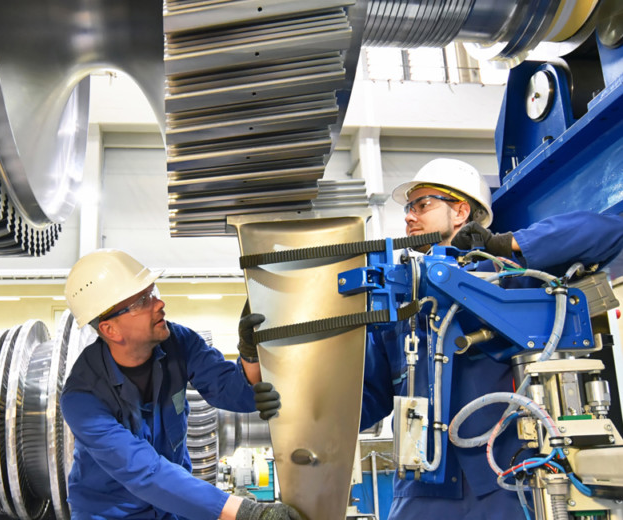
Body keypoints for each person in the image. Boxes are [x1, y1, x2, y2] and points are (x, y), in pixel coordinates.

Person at [256, 158, 623, 519]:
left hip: (503, 479)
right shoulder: (401, 300)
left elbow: (608, 232)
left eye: (422, 204)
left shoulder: (511, 277)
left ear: (461, 211)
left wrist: (506, 245)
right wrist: (295, 406)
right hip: (421, 483)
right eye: (408, 208)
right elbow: (367, 400)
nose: (409, 217)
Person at [60, 248, 302, 520]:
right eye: (142, 301)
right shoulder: (82, 399)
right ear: (110, 330)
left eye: (153, 292)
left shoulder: (177, 341)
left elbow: (231, 391)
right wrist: (245, 512)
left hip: (173, 507)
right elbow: (144, 471)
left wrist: (250, 351)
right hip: (112, 513)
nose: (159, 304)